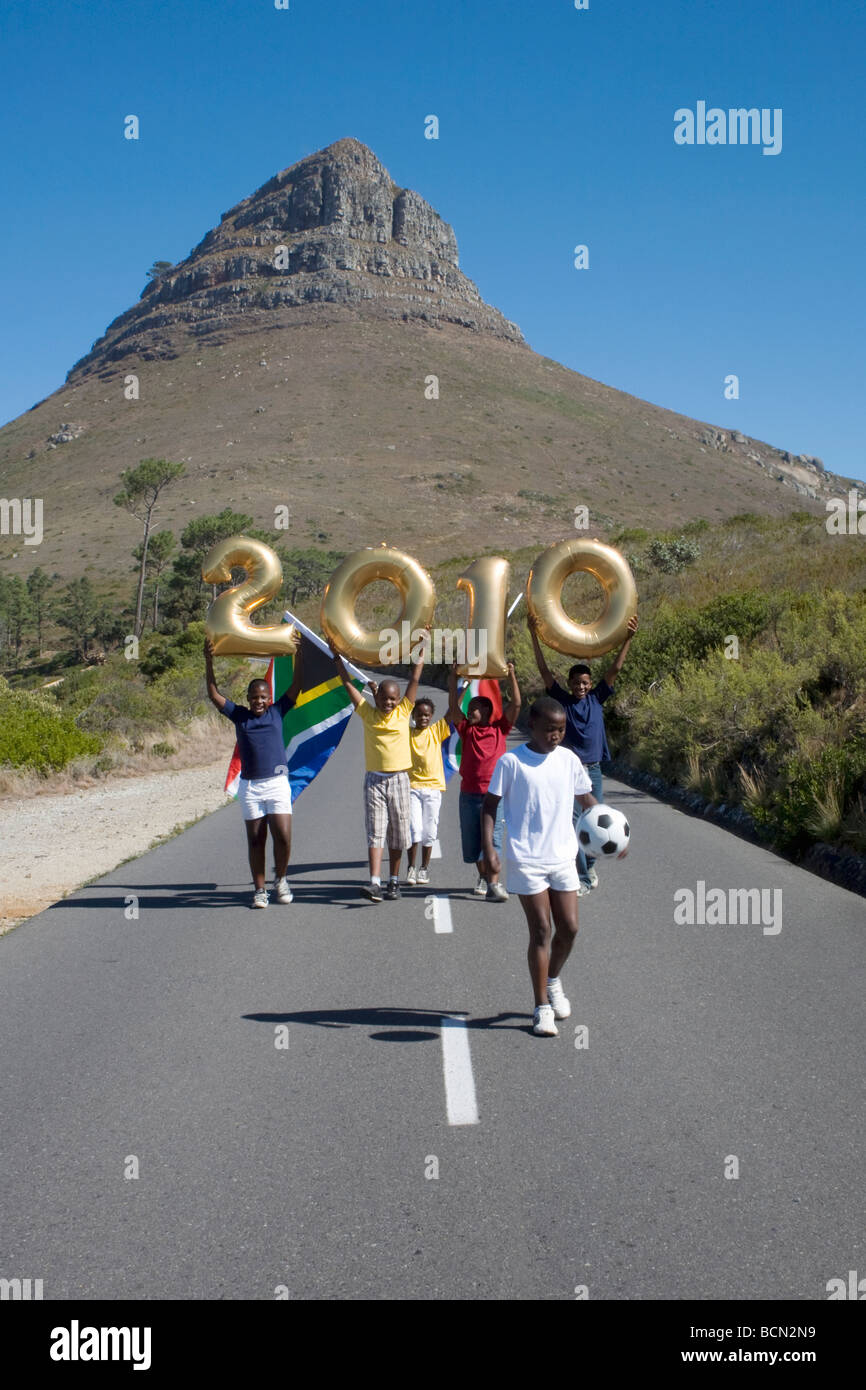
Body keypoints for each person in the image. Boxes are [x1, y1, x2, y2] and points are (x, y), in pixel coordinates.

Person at [482, 697, 622, 1037]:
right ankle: (541, 1007)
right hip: (527, 859)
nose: (555, 735)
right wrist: (489, 849)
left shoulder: (569, 760)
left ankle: (553, 979)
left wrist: (614, 831)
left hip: (563, 857)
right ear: (532, 725)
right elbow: (490, 807)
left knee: (570, 928)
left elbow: (586, 800)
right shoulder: (512, 762)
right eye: (549, 729)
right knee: (542, 930)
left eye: (560, 730)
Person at [528, 612, 638, 894]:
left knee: (597, 822)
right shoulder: (562, 701)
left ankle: (589, 865)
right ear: (570, 683)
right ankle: (583, 879)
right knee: (574, 824)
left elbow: (615, 669)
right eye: (576, 683)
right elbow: (544, 672)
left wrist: (627, 638)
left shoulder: (597, 698)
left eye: (585, 683)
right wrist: (533, 634)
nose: (581, 687)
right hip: (571, 774)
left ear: (590, 684)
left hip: (595, 770)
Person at [205, 637, 304, 908]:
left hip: (277, 784)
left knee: (283, 836)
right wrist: (209, 660)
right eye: (254, 697)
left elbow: (297, 685)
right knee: (256, 840)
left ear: (268, 698)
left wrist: (301, 652)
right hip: (250, 787)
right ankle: (260, 891)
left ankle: (281, 879)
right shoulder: (239, 716)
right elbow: (214, 695)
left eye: (263, 697)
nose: (258, 701)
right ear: (248, 699)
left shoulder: (277, 711)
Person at [331, 639, 426, 902]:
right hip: (374, 781)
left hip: (400, 780)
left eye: (393, 699)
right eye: (384, 698)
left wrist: (422, 649)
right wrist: (337, 659)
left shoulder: (404, 711)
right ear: (377, 697)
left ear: (399, 700)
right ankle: (374, 882)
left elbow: (415, 678)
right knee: (375, 830)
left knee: (398, 833)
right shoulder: (368, 714)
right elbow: (348, 686)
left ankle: (393, 880)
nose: (388, 702)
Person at [447, 661, 521, 902]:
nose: (471, 711)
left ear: (488, 712)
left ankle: (493, 883)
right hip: (468, 795)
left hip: (494, 796)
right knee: (473, 844)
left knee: (493, 839)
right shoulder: (466, 730)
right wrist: (453, 678)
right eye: (470, 708)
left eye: (476, 708)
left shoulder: (500, 729)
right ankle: (483, 876)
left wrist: (511, 675)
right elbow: (452, 707)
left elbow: (517, 704)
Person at [406, 698, 450, 885]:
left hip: (433, 789)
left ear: (431, 716)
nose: (423, 717)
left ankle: (423, 868)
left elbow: (452, 713)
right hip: (412, 787)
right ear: (413, 715)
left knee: (429, 830)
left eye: (426, 715)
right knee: (414, 829)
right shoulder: (406, 733)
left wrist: (463, 687)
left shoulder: (436, 731)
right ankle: (411, 868)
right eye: (419, 714)